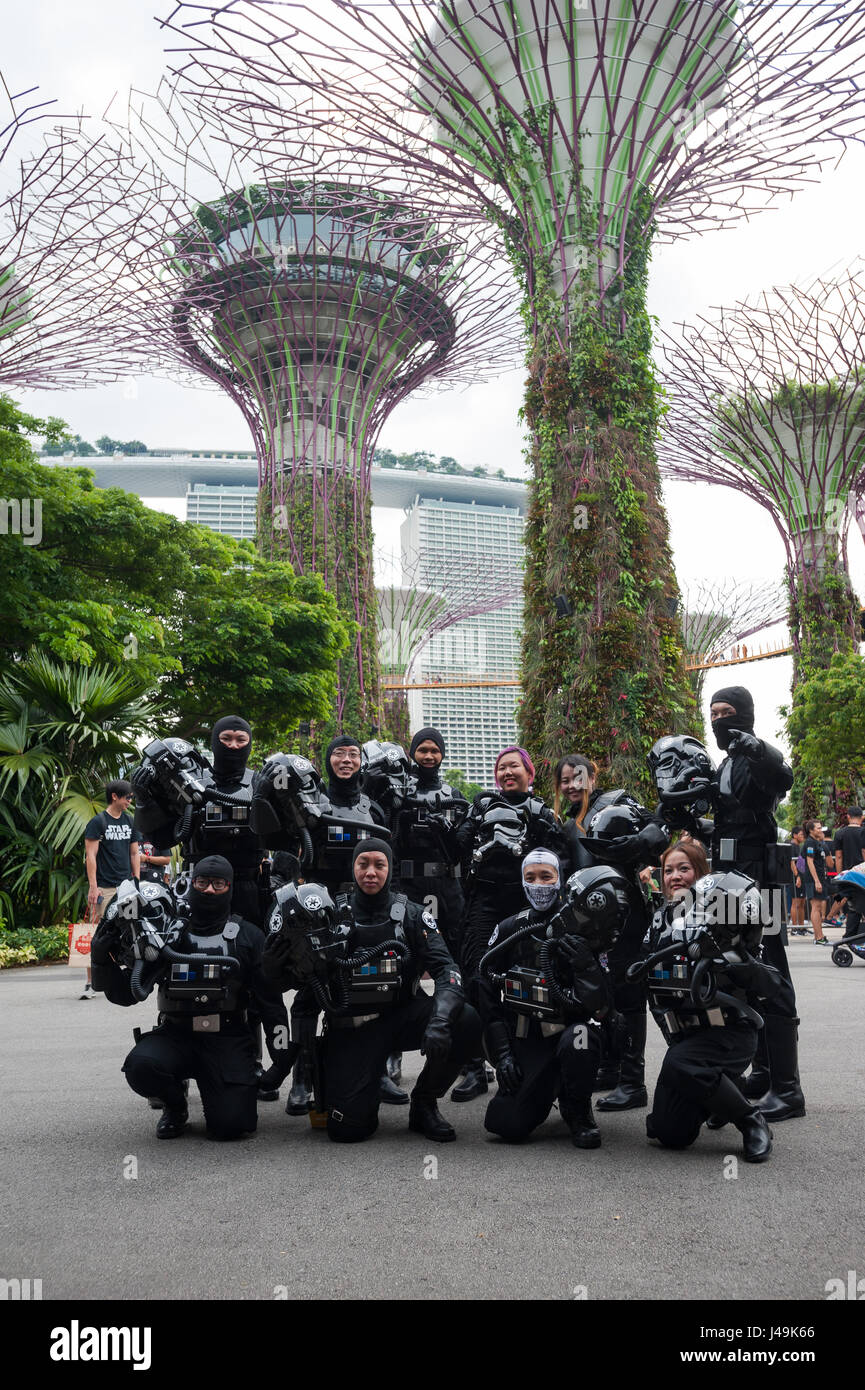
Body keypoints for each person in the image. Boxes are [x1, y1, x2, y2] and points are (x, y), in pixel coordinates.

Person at [263, 838, 481, 1144]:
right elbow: (301, 990)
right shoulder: (328, 915)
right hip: (352, 1030)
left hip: (404, 1016)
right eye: (363, 864)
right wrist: (272, 966)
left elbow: (448, 970)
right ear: (352, 869)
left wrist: (441, 1021)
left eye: (379, 865)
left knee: (466, 1020)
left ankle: (424, 1102)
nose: (371, 872)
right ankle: (363, 1086)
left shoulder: (413, 914)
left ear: (390, 870)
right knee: (348, 1130)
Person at [131, 717, 290, 1101]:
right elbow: (159, 834)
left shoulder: (259, 781)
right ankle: (173, 1065)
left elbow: (286, 834)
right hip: (197, 889)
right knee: (177, 964)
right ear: (213, 741)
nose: (234, 745)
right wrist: (145, 796)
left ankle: (247, 1059)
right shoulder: (189, 782)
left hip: (249, 887)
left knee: (252, 974)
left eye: (241, 738)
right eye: (226, 738)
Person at [90, 856, 292, 1140]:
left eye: (218, 883)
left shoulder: (248, 936)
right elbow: (126, 994)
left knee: (232, 1127)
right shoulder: (164, 934)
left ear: (231, 888)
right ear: (191, 884)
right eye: (202, 882)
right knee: (141, 1067)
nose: (209, 890)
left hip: (228, 1038)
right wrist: (101, 962)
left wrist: (281, 1061)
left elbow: (271, 1005)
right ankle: (175, 1107)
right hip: (176, 1034)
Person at [640, 841, 785, 1163]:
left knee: (682, 1064)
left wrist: (731, 958)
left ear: (702, 874)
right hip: (688, 1039)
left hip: (730, 1032)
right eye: (668, 870)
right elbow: (651, 989)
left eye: (684, 869)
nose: (674, 876)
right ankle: (724, 1089)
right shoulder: (658, 922)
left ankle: (751, 1119)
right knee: (669, 1133)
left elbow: (773, 984)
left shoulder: (728, 914)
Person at [478, 850, 630, 1148]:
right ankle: (547, 1089)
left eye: (546, 876)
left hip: (569, 1037)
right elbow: (485, 989)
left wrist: (587, 966)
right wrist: (502, 1054)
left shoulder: (586, 927)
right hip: (527, 1040)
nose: (539, 884)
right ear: (521, 882)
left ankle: (578, 1109)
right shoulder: (510, 928)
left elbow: (606, 1005)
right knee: (505, 1125)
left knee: (581, 1037)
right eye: (530, 877)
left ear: (560, 881)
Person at [707, 685, 803, 1122]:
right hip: (728, 885)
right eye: (713, 713)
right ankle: (763, 1073)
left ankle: (788, 1089)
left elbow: (782, 776)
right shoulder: (725, 764)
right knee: (741, 974)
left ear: (744, 715)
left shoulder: (753, 759)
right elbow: (728, 821)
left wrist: (758, 746)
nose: (718, 720)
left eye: (727, 712)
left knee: (770, 976)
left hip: (759, 887)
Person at [453, 745, 569, 1101]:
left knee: (526, 975)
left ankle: (524, 1055)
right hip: (483, 902)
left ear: (529, 774)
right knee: (475, 976)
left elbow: (561, 857)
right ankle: (474, 1066)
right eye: (501, 768)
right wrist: (470, 819)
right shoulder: (483, 805)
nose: (507, 773)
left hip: (526, 903)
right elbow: (456, 847)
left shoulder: (541, 811)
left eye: (514, 767)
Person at [389, 727, 467, 961]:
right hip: (409, 884)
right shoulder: (399, 793)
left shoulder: (453, 793)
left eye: (434, 750)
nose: (429, 756)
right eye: (422, 750)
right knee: (409, 948)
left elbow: (463, 846)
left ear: (442, 754)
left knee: (455, 946)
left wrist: (446, 832)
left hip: (448, 886)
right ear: (413, 753)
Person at [81, 780, 142, 1000]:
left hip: (127, 888)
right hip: (105, 888)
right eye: (127, 797)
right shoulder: (98, 822)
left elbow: (135, 853)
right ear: (115, 796)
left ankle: (126, 977)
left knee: (129, 931)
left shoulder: (130, 821)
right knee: (101, 934)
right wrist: (93, 886)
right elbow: (91, 856)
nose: (130, 801)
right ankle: (93, 981)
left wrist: (136, 881)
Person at [831, 808, 865, 938]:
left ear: (848, 816)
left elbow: (838, 856)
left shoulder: (840, 833)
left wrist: (840, 874)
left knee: (852, 905)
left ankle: (848, 934)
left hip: (849, 875)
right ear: (861, 817)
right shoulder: (863, 831)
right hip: (862, 874)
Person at [802, 819, 832, 945]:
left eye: (821, 827)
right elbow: (809, 862)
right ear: (811, 830)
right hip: (813, 880)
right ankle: (818, 937)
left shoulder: (817, 843)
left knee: (818, 907)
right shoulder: (810, 843)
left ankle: (820, 936)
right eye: (818, 828)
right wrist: (816, 881)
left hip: (820, 878)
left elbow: (829, 863)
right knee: (816, 907)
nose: (820, 830)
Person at [788, 827, 808, 935]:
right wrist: (797, 876)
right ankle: (794, 927)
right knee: (795, 902)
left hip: (802, 876)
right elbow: (792, 863)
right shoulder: (792, 846)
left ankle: (801, 927)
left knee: (802, 903)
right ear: (794, 835)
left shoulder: (798, 846)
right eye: (800, 834)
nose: (802, 836)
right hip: (795, 878)